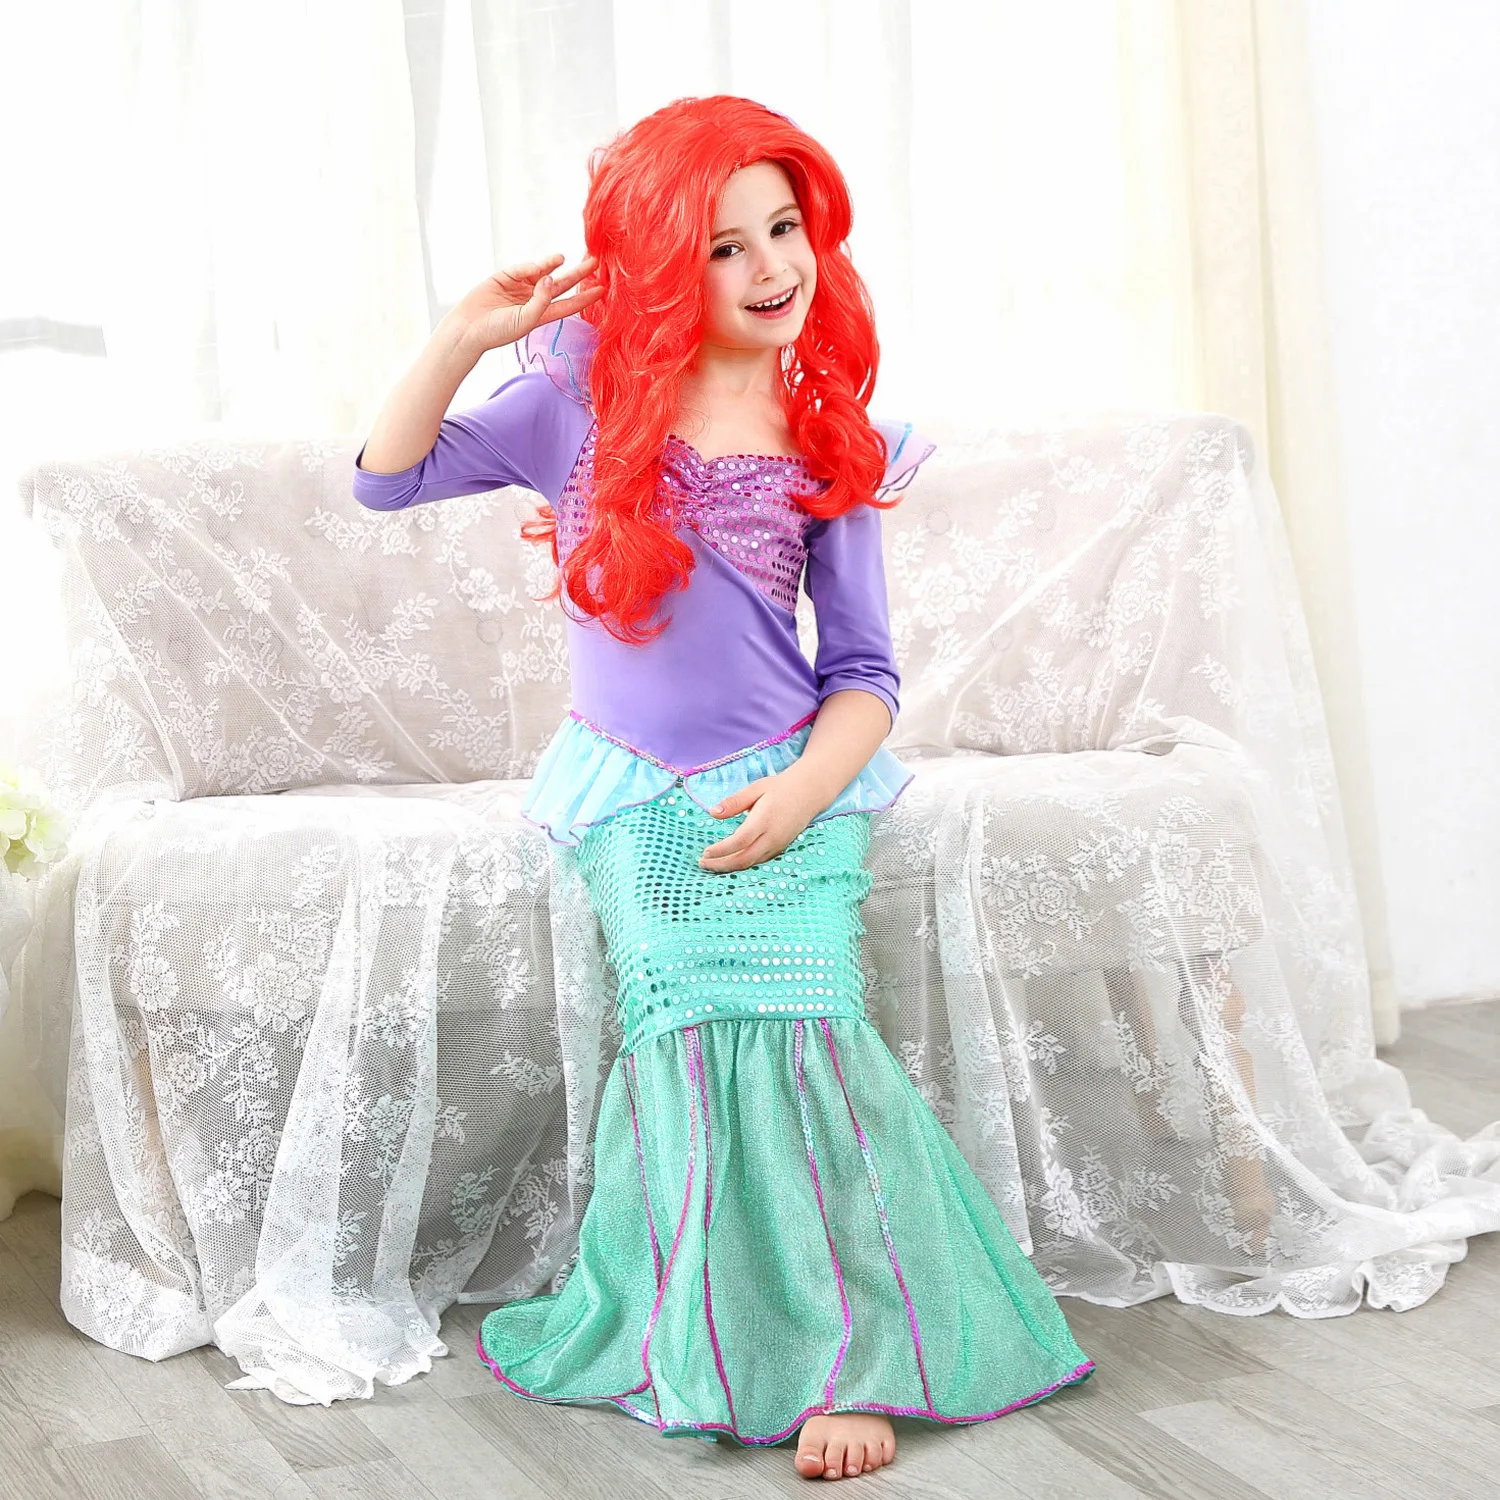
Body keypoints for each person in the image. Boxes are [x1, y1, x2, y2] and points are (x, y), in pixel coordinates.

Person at [353, 93, 1094, 1483]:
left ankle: (850, 1359)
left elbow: (864, 674)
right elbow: (385, 482)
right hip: (636, 796)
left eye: (784, 229)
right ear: (655, 267)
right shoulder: (574, 406)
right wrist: (463, 338)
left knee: (812, 1045)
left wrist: (806, 794)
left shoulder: (827, 435)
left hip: (793, 785)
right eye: (722, 247)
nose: (769, 268)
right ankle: (726, 1331)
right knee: (691, 1044)